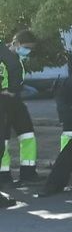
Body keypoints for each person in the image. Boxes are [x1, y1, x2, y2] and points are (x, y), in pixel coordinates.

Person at [0, 30, 40, 186]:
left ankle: (28, 171)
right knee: (3, 139)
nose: (27, 51)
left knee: (27, 135)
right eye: (26, 47)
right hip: (3, 101)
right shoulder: (4, 56)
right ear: (15, 43)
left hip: (15, 101)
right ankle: (3, 175)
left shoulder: (15, 58)